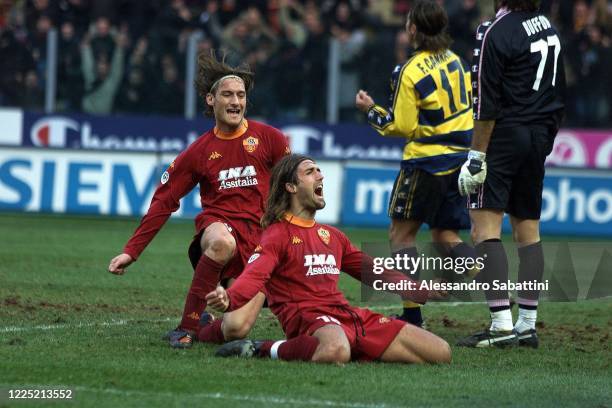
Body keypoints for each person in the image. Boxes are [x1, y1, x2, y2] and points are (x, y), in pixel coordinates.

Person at [107, 51, 290, 348]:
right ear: (210, 100)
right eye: (228, 95)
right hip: (220, 227)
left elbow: (292, 186)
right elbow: (163, 201)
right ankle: (186, 327)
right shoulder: (199, 151)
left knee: (235, 330)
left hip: (259, 242)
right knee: (221, 241)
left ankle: (206, 326)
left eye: (241, 95)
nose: (236, 102)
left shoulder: (270, 139)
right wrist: (132, 251)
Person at [205, 154, 452, 364]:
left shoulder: (332, 236)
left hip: (348, 316)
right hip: (311, 319)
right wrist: (231, 298)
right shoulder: (277, 235)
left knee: (441, 352)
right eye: (310, 172)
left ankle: (347, 346)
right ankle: (263, 347)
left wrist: (420, 291)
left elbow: (374, 271)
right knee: (336, 350)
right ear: (291, 187)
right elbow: (254, 276)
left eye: (320, 171)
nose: (320, 176)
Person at [355, 0, 476, 328]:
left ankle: (412, 317)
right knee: (443, 233)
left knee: (401, 235)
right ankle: (483, 269)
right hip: (460, 159)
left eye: (408, 23)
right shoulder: (458, 62)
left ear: (414, 29)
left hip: (426, 162)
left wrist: (371, 110)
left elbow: (402, 126)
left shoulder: (409, 70)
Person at [456, 0, 566, 348]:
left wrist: (476, 156)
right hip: (536, 134)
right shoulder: (547, 25)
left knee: (485, 227)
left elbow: (484, 102)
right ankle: (528, 324)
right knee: (528, 231)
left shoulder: (495, 31)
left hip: (505, 136)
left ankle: (501, 322)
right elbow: (558, 92)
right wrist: (543, 139)